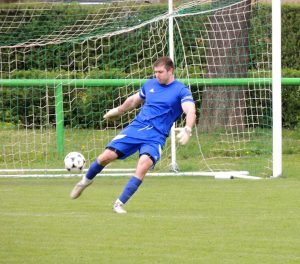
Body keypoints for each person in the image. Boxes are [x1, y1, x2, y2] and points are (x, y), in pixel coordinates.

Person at [70, 56, 196, 213]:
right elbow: (133, 101)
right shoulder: (150, 84)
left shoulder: (181, 90)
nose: (157, 75)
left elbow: (190, 109)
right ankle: (84, 182)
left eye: (160, 72)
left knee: (143, 165)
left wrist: (188, 128)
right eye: (155, 72)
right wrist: (118, 111)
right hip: (136, 129)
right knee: (105, 157)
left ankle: (118, 203)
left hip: (156, 136)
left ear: (171, 71)